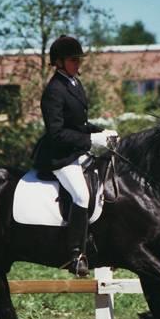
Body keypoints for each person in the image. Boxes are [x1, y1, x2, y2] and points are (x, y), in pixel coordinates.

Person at [32, 35, 117, 277]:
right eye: (73, 60)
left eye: (79, 59)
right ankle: (75, 254)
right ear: (58, 62)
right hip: (58, 156)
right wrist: (90, 140)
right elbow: (57, 133)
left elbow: (78, 123)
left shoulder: (73, 83)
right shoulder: (54, 90)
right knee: (81, 194)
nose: (78, 64)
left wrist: (101, 131)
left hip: (75, 151)